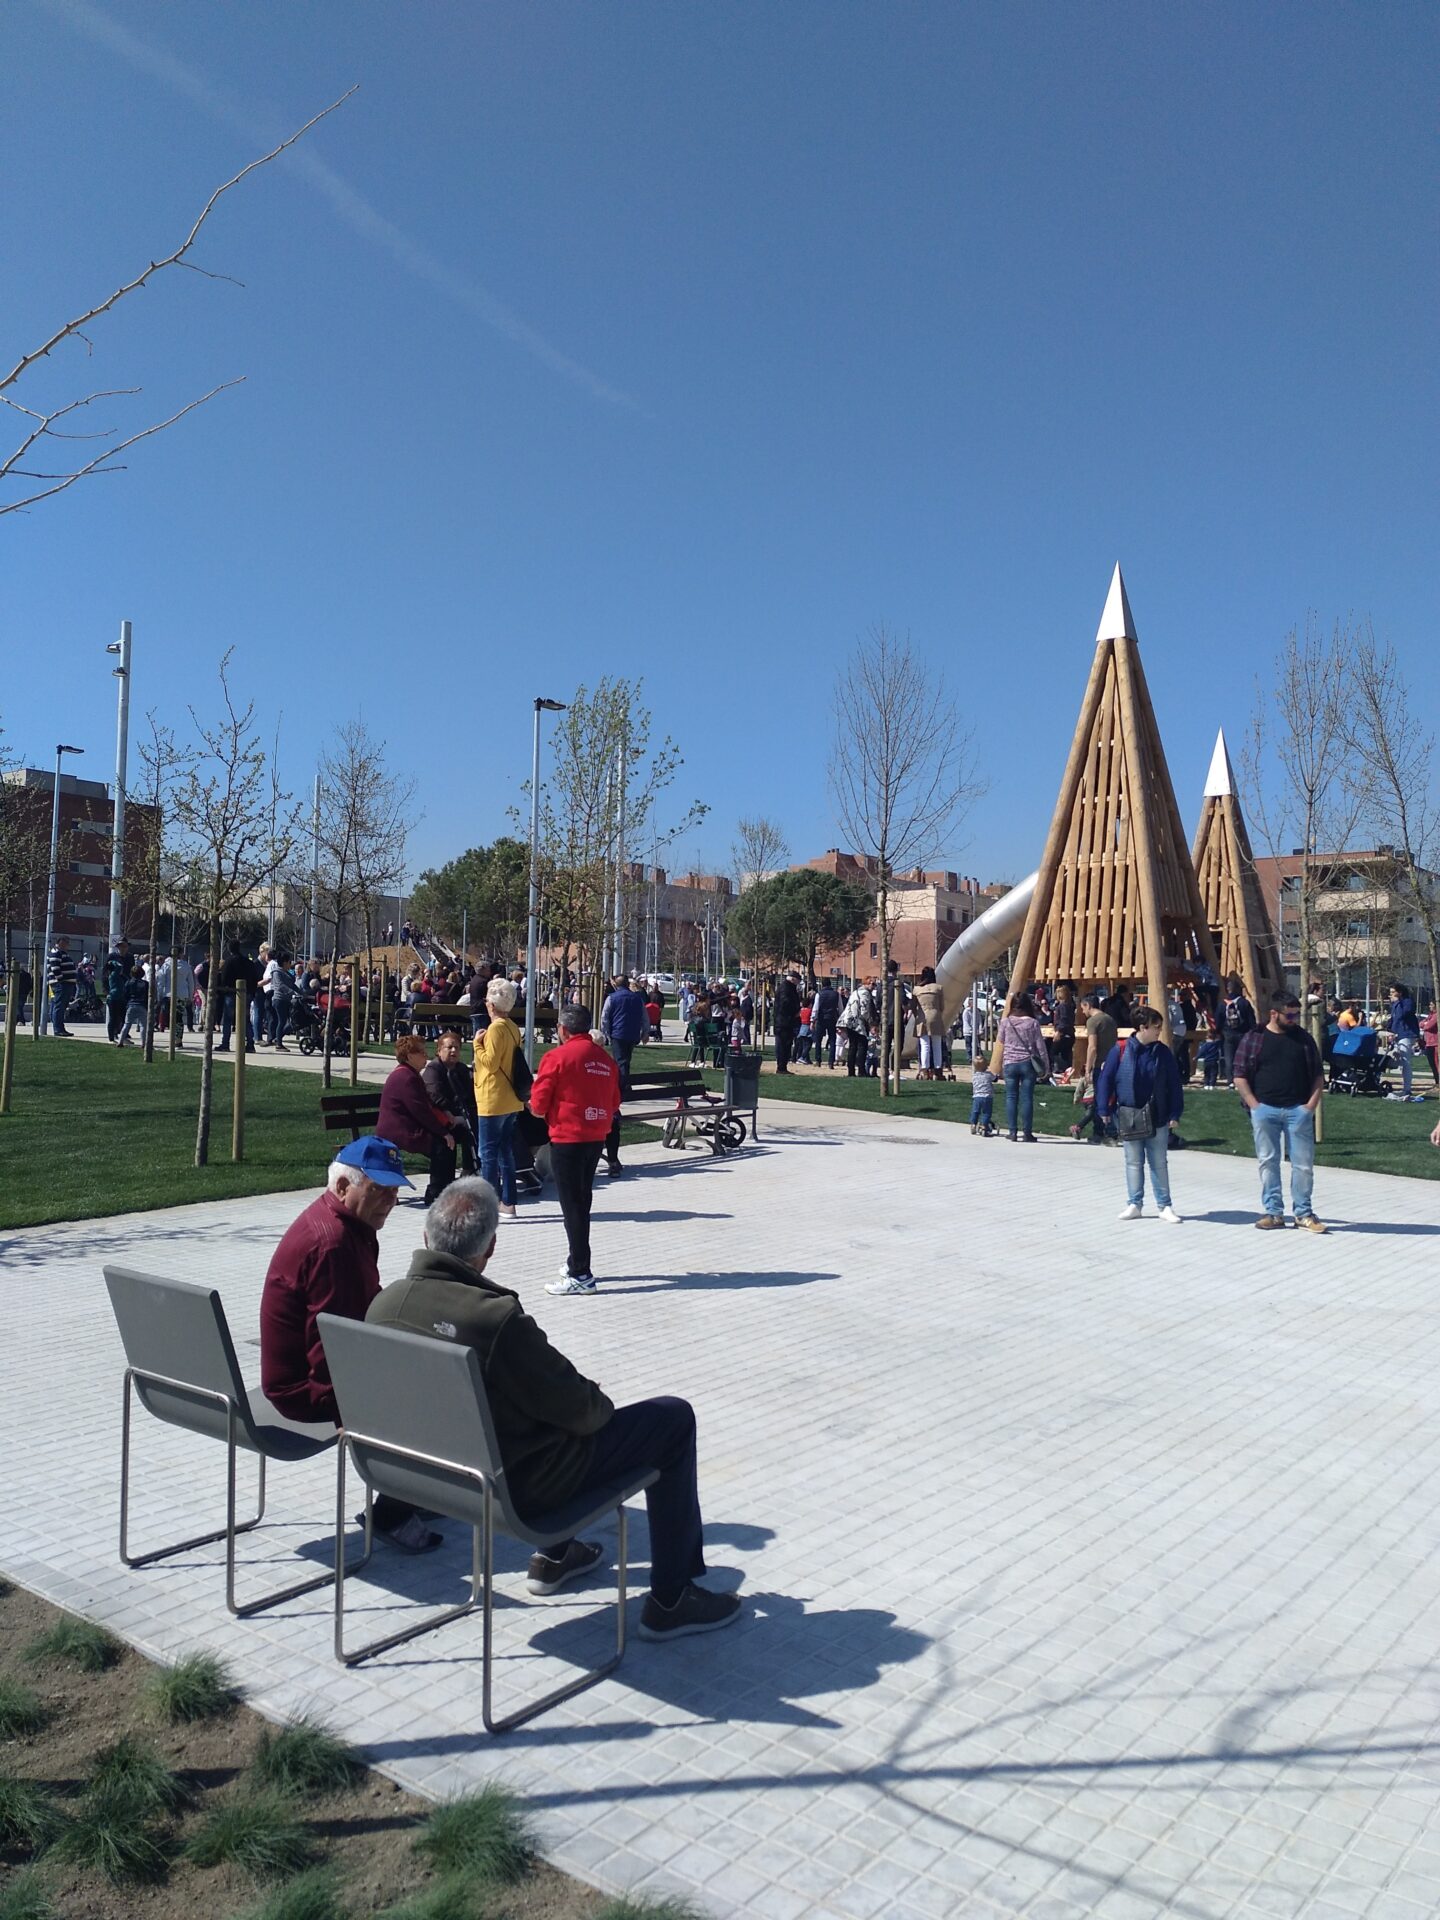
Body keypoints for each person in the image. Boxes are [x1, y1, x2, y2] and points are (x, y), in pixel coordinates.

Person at [368, 1179, 741, 1636]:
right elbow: (585, 1411)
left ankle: (558, 1554)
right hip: (512, 1492)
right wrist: (591, 1396)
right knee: (672, 1419)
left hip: (423, 1477)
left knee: (533, 1409)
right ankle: (672, 1598)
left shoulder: (383, 1305)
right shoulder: (493, 1319)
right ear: (490, 1247)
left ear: (426, 1237)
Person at [259, 1136, 440, 1553]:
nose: (391, 1201)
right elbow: (331, 1345)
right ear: (342, 1187)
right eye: (379, 1190)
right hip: (304, 1389)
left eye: (395, 1190)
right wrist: (349, 1410)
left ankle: (416, 1488)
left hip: (309, 1372)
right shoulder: (333, 1244)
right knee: (441, 1385)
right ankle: (394, 1511)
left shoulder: (344, 1225)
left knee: (430, 1360)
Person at [532, 1004, 622, 1297]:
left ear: (562, 1029)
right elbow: (615, 1101)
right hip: (595, 1137)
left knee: (572, 1207)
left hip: (568, 1137)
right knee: (582, 1203)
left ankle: (581, 1274)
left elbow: (539, 1103)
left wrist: (536, 1108)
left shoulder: (557, 1057)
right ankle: (576, 1260)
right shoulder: (606, 1060)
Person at [1233, 989, 1327, 1232]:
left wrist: (1310, 1107)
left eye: (1297, 1014)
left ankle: (1303, 1213)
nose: (1294, 1019)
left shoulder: (1304, 1040)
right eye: (1290, 1015)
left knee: (1303, 1165)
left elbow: (1318, 1076)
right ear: (1274, 1014)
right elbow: (1239, 1075)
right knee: (1268, 1162)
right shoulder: (1254, 1038)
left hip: (1298, 1111)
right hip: (1265, 1110)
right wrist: (1254, 1105)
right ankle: (1273, 1212)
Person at [1096, 1006, 1184, 1223]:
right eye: (1156, 1027)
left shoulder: (1163, 1052)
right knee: (1133, 1162)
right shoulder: (1120, 1050)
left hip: (1158, 1114)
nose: (1159, 1031)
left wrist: (1175, 1112)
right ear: (1142, 1028)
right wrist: (1103, 1108)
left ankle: (1165, 1205)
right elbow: (1106, 1079)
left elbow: (1174, 1084)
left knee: (1159, 1162)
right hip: (1129, 1115)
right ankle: (1135, 1203)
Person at [377, 1035, 458, 1206]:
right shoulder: (406, 1077)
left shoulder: (409, 1073)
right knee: (442, 1145)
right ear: (409, 1056)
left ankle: (447, 1189)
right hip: (399, 1131)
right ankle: (436, 1194)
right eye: (421, 1052)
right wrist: (443, 1132)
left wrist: (445, 1117)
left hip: (408, 1126)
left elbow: (427, 1105)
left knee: (451, 1138)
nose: (426, 1055)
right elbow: (421, 1112)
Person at [473, 977, 526, 1219]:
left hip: (492, 1097)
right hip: (510, 1098)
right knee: (506, 1151)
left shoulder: (495, 1029)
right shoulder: (512, 1027)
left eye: (487, 1001)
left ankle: (490, 1203)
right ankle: (509, 1202)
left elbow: (491, 1064)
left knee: (488, 1153)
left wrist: (477, 1045)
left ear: (492, 1005)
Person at [424, 1029, 477, 1185]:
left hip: (461, 1117)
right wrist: (448, 1111)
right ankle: (442, 1185)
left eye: (457, 1048)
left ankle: (470, 1170)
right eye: (449, 1047)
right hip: (439, 1120)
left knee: (477, 1128)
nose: (454, 1051)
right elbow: (434, 1095)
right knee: (452, 1137)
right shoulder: (433, 1069)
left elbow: (471, 1093)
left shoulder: (461, 1069)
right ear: (439, 1050)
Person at [997, 992, 1049, 1142]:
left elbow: (1001, 1040)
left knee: (1011, 1097)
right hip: (1028, 1063)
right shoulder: (1033, 1023)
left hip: (1010, 1062)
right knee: (1027, 1098)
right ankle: (1027, 1133)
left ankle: (1012, 1132)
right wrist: (1046, 1066)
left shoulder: (1006, 1022)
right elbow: (1040, 1047)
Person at [600, 975, 648, 1095]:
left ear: (615, 985)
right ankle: (624, 1084)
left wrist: (606, 1033)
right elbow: (645, 1017)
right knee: (626, 1059)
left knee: (620, 1060)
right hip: (633, 1034)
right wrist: (645, 1032)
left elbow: (604, 1017)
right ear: (627, 984)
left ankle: (622, 1087)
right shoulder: (637, 998)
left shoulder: (611, 998)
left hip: (618, 1034)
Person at [1385, 981, 1422, 1099]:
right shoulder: (1395, 1005)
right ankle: (1405, 1087)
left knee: (1406, 1062)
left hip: (1406, 1034)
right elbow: (1394, 1019)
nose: (1391, 994)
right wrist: (1389, 1030)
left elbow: (1403, 1014)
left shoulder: (1407, 1002)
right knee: (1398, 1060)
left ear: (1400, 993)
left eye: (1393, 992)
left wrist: (1398, 1001)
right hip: (1397, 1034)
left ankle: (1407, 1089)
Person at [1219, 975, 1257, 1086]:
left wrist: (1220, 1031)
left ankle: (1231, 1080)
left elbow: (1219, 1019)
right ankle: (1243, 1078)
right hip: (1243, 1033)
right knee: (1243, 1057)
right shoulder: (1244, 1002)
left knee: (1229, 1057)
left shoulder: (1222, 1003)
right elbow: (1251, 1019)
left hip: (1228, 1033)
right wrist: (1253, 1031)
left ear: (1228, 989)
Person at [913, 967, 946, 1080]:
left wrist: (917, 1015)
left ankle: (924, 1070)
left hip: (922, 1017)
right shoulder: (938, 988)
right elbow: (942, 1006)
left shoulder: (917, 989)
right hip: (935, 1016)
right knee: (937, 1045)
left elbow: (913, 1006)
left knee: (924, 1045)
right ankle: (938, 1071)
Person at [840, 980, 874, 1077]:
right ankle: (861, 1070)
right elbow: (864, 1010)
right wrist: (869, 1022)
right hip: (859, 1022)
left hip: (849, 1021)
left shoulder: (855, 992)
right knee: (862, 1045)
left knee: (852, 1046)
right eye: (872, 984)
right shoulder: (865, 993)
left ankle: (851, 1071)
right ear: (865, 984)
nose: (873, 986)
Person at [44, 935, 77, 1036]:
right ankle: (58, 1029)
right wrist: (61, 980)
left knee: (60, 1007)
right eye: (67, 942)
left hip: (65, 984)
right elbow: (55, 968)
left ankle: (60, 1028)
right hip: (61, 984)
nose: (68, 945)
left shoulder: (62, 953)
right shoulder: (56, 952)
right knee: (59, 1007)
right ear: (61, 942)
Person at [103, 938, 132, 1043]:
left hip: (125, 989)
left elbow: (131, 972)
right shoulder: (112, 957)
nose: (123, 948)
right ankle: (113, 1034)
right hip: (114, 990)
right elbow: (105, 973)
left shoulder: (130, 957)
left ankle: (124, 1034)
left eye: (125, 946)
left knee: (124, 1015)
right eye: (121, 946)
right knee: (114, 1016)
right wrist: (105, 988)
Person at [772, 970, 801, 1074]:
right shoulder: (786, 988)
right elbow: (785, 1003)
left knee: (785, 1044)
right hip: (784, 1022)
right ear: (793, 979)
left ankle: (783, 1066)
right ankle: (781, 1067)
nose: (798, 984)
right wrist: (795, 1011)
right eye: (797, 981)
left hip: (784, 1021)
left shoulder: (786, 987)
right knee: (783, 1045)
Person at [811, 978, 841, 1069]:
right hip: (832, 1018)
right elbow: (840, 1008)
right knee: (832, 1040)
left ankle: (818, 1060)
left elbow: (815, 1008)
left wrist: (812, 1020)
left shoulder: (819, 994)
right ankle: (831, 1062)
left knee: (818, 1040)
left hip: (821, 1018)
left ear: (822, 985)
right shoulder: (836, 994)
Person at [1050, 982, 1077, 1074]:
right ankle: (1066, 1071)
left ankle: (1059, 1070)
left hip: (1063, 1034)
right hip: (1070, 1034)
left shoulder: (1062, 1006)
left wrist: (1059, 1031)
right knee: (1066, 1054)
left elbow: (1063, 1020)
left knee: (1054, 1053)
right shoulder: (1070, 1006)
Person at [970, 1063, 996, 1135]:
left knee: (975, 1111)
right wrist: (997, 1075)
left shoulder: (974, 1076)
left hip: (977, 1096)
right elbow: (995, 1079)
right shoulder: (988, 1074)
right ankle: (984, 1126)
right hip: (987, 1096)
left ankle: (973, 1124)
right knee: (986, 1112)